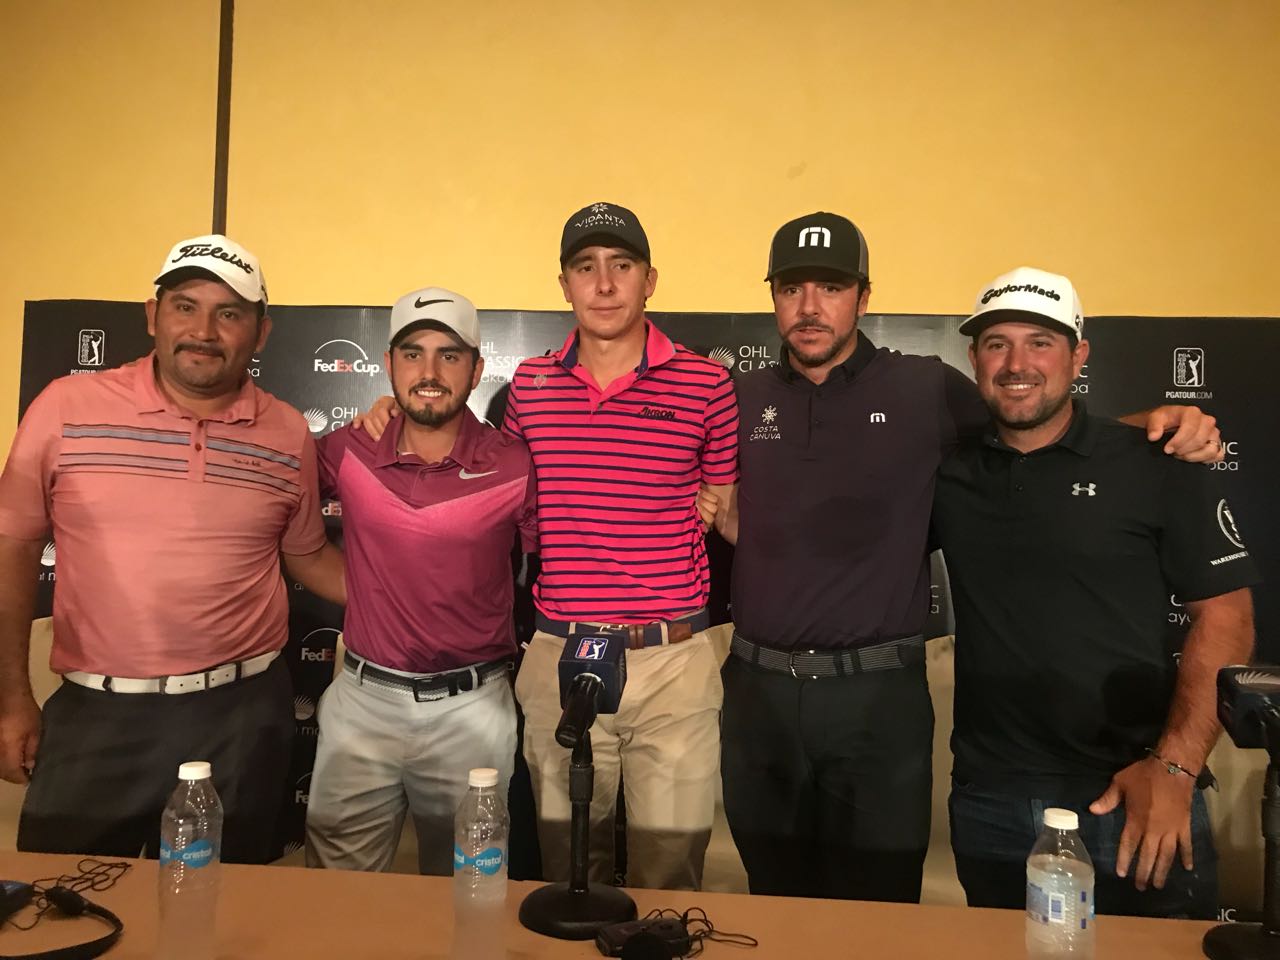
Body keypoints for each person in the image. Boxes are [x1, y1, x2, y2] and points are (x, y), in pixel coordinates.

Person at [699, 212, 1225, 903]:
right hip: (756, 692)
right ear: (773, 297)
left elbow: (1039, 428)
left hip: (876, 699)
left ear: (863, 295)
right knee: (771, 895)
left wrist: (1159, 427)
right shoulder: (735, 397)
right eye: (792, 288)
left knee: (879, 908)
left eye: (830, 287)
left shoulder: (926, 388)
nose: (809, 306)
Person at [357, 203, 739, 889]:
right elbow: (458, 452)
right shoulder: (527, 389)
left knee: (669, 872)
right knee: (565, 874)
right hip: (559, 653)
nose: (604, 283)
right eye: (585, 268)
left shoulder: (707, 384)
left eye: (621, 267)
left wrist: (715, 509)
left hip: (672, 660)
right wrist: (388, 414)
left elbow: (728, 509)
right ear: (563, 284)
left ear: (650, 280)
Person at [0, 234, 345, 863]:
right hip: (95, 716)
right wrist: (11, 698)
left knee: (222, 918)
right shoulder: (64, 407)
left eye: (229, 313)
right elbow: (14, 548)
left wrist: (421, 591)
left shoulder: (288, 430)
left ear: (260, 333)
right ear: (153, 316)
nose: (204, 331)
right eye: (185, 306)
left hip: (241, 717)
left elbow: (308, 557)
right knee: (55, 910)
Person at [932, 266, 1256, 919]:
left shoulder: (1154, 461)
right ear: (973, 359)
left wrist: (1175, 768)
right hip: (990, 795)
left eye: (1041, 342)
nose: (1017, 362)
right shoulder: (951, 470)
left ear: (1078, 355)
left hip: (1134, 792)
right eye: (997, 343)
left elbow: (1228, 621)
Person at [304, 287, 537, 875]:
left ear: (478, 368)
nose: (429, 372)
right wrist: (359, 590)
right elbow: (278, 511)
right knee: (335, 899)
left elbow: (557, 565)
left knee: (468, 895)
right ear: (388, 364)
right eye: (412, 353)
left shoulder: (514, 462)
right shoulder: (350, 447)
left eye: (449, 355)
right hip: (361, 702)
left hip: (473, 710)